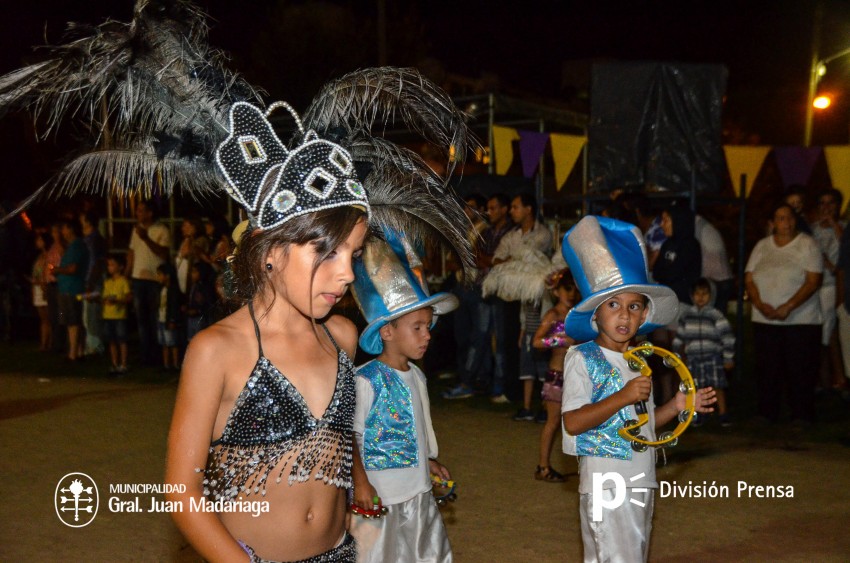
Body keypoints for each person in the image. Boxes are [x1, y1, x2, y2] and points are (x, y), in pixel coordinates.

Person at [161, 64, 474, 561]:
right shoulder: (217, 350)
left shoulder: (341, 337)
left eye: (352, 254)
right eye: (326, 253)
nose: (346, 273)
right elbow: (182, 493)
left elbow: (339, 443)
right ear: (270, 251)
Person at [560, 216, 717, 562]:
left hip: (641, 478)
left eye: (633, 306)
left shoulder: (638, 361)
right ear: (595, 314)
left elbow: (641, 426)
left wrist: (675, 406)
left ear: (644, 315)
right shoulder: (582, 357)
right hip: (607, 482)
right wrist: (623, 396)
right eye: (613, 305)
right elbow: (572, 422)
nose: (624, 315)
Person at [349, 232, 455, 562]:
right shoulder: (365, 380)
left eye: (428, 327)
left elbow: (418, 429)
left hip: (418, 492)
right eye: (417, 327)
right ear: (387, 331)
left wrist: (428, 461)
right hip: (380, 496)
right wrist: (361, 484)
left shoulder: (418, 377)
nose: (427, 335)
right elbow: (350, 436)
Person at [745, 202, 822, 424]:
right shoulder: (762, 246)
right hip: (765, 319)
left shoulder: (807, 244)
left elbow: (813, 280)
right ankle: (767, 411)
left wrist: (788, 306)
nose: (785, 222)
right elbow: (749, 278)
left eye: (789, 217)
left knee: (800, 368)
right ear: (772, 223)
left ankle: (802, 414)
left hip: (800, 320)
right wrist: (759, 304)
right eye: (780, 218)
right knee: (768, 368)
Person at [443, 193, 514, 401]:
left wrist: (477, 259)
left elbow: (487, 260)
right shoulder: (482, 231)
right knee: (467, 336)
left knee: (481, 338)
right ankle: (473, 379)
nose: (466, 212)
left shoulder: (491, 231)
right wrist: (477, 259)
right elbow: (461, 260)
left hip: (485, 288)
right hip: (471, 286)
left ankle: (474, 381)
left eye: (472, 207)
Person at [492, 193, 553, 420]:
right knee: (516, 350)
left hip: (536, 300)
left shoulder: (543, 234)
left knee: (543, 360)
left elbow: (529, 258)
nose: (511, 211)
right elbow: (497, 259)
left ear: (529, 209)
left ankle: (544, 405)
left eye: (515, 207)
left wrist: (511, 262)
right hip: (515, 300)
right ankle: (523, 400)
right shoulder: (511, 236)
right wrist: (515, 262)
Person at [531, 268, 579, 482]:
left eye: (574, 289)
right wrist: (559, 340)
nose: (571, 294)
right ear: (556, 291)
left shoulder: (577, 315)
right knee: (552, 422)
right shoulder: (553, 315)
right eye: (566, 289)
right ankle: (543, 466)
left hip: (576, 376)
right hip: (557, 376)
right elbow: (536, 341)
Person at [672, 278, 735, 426]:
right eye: (697, 294)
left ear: (711, 296)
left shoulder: (715, 315)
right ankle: (699, 414)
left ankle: (723, 413)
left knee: (717, 386)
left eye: (705, 294)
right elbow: (680, 337)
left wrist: (728, 358)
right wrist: (675, 354)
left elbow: (728, 337)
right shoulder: (686, 316)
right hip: (693, 359)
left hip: (712, 358)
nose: (700, 297)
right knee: (696, 388)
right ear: (692, 296)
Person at [126, 200, 171, 365]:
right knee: (141, 319)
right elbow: (131, 252)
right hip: (138, 279)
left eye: (141, 210)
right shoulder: (136, 229)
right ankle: (145, 354)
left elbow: (163, 253)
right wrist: (127, 273)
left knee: (154, 318)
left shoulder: (162, 230)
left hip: (154, 280)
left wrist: (145, 238)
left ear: (150, 213)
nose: (137, 213)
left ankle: (157, 354)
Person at [810, 188, 845, 389]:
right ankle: (827, 378)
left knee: (827, 329)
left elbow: (846, 250)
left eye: (830, 203)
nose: (826, 207)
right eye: (822, 203)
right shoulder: (812, 229)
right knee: (824, 331)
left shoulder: (844, 228)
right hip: (812, 285)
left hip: (832, 284)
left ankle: (828, 379)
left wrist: (833, 224)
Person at [52, 219, 89, 362]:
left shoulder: (77, 246)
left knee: (73, 321)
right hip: (66, 288)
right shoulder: (71, 246)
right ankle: (76, 351)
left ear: (71, 229)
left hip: (72, 289)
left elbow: (73, 268)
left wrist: (57, 270)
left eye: (64, 228)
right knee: (69, 320)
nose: (62, 232)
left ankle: (73, 353)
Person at [694, 214, 734, 315]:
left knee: (709, 314)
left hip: (714, 279)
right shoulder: (705, 226)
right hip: (723, 277)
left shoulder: (697, 227)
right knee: (717, 314)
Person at [80, 210, 107, 356]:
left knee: (93, 315)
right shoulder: (88, 239)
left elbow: (98, 262)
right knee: (87, 315)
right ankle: (91, 345)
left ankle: (96, 346)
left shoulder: (95, 240)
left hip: (93, 282)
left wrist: (91, 282)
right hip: (87, 280)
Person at [101, 255, 132, 375]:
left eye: (112, 265)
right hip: (108, 316)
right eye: (108, 265)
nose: (110, 267)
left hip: (119, 316)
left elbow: (128, 297)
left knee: (122, 340)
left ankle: (123, 364)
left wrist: (118, 301)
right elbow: (104, 297)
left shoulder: (123, 281)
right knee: (112, 341)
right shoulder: (107, 282)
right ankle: (114, 363)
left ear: (120, 267)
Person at [156, 263, 182, 371]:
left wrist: (172, 320)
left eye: (159, 274)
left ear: (167, 275)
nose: (158, 277)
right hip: (161, 319)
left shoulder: (173, 290)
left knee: (172, 342)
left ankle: (175, 364)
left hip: (168, 320)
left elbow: (174, 306)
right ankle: (166, 364)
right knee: (164, 343)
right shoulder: (161, 289)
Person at [175, 215, 210, 294]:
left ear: (194, 227)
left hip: (194, 280)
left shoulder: (201, 240)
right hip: (182, 279)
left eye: (185, 226)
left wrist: (189, 238)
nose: (183, 228)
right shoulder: (186, 240)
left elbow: (186, 252)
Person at [30, 231, 52, 351]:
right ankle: (44, 343)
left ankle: (50, 343)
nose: (37, 242)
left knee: (49, 317)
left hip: (44, 287)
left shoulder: (49, 255)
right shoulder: (39, 256)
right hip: (37, 287)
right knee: (43, 318)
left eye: (40, 240)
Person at [185, 261, 217, 342]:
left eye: (195, 272)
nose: (192, 274)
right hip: (191, 317)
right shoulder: (193, 286)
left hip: (201, 318)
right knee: (191, 340)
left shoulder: (206, 287)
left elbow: (210, 303)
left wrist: (198, 310)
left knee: (199, 340)